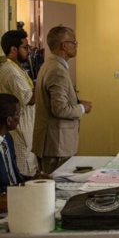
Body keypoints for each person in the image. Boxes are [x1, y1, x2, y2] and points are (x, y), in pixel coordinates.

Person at [33, 26, 92, 174]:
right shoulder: (57, 70)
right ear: (64, 45)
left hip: (53, 142)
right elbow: (60, 109)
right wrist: (82, 108)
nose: (76, 46)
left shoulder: (49, 65)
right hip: (57, 145)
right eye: (74, 42)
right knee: (57, 188)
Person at [0, 30, 39, 176]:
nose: (29, 51)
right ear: (13, 49)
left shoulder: (17, 68)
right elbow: (29, 99)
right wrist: (41, 83)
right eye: (25, 47)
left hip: (26, 130)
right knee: (23, 174)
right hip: (19, 130)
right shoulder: (11, 71)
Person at [0, 93, 32, 212]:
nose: (20, 118)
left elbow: (13, 177)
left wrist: (33, 180)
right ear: (9, 120)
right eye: (19, 114)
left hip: (17, 200)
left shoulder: (7, 139)